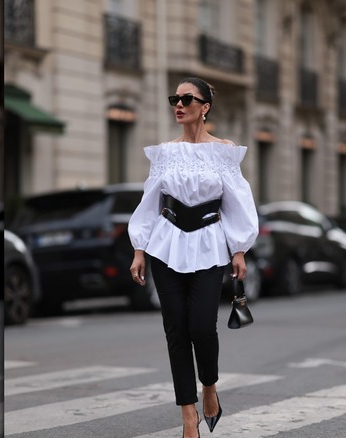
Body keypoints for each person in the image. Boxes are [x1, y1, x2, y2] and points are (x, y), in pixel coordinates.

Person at [128, 77, 259, 438]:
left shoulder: (224, 151)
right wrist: (139, 248)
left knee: (202, 326)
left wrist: (239, 249)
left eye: (187, 99)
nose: (179, 104)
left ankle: (210, 387)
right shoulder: (164, 153)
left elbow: (238, 202)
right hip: (165, 245)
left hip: (209, 244)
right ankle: (188, 415)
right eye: (175, 98)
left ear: (205, 107)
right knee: (176, 330)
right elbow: (149, 203)